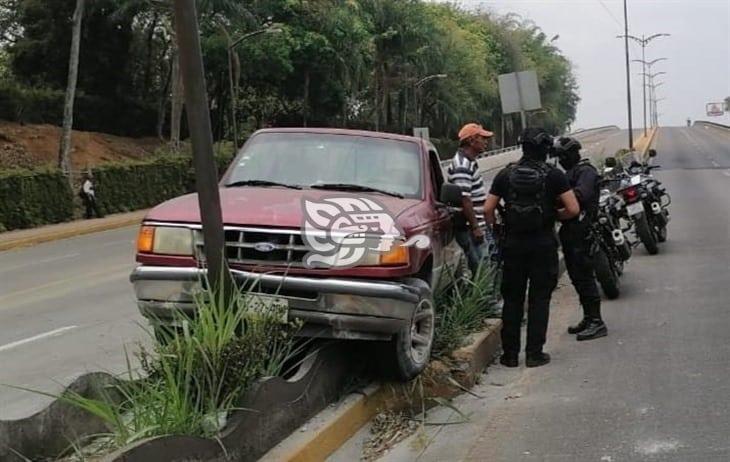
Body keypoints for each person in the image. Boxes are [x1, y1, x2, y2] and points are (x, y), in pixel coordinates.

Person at [484, 127, 579, 368]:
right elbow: (573, 208)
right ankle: (535, 354)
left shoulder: (505, 174)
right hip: (543, 244)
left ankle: (510, 355)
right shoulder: (554, 175)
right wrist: (553, 215)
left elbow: (487, 209)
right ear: (546, 150)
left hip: (513, 245)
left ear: (523, 148)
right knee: (539, 299)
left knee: (513, 299)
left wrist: (497, 228)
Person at [554, 137, 608, 341]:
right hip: (571, 231)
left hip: (582, 230)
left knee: (585, 277)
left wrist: (557, 198)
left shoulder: (585, 172)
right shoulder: (569, 173)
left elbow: (580, 196)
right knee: (576, 277)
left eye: (562, 156)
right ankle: (588, 317)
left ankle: (596, 321)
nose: (560, 160)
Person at [446, 123, 496, 276]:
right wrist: (475, 227)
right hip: (470, 227)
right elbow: (465, 199)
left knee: (485, 265)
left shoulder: (470, 162)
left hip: (477, 224)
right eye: (483, 138)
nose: (486, 142)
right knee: (482, 269)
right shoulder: (462, 165)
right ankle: (486, 300)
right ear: (472, 140)